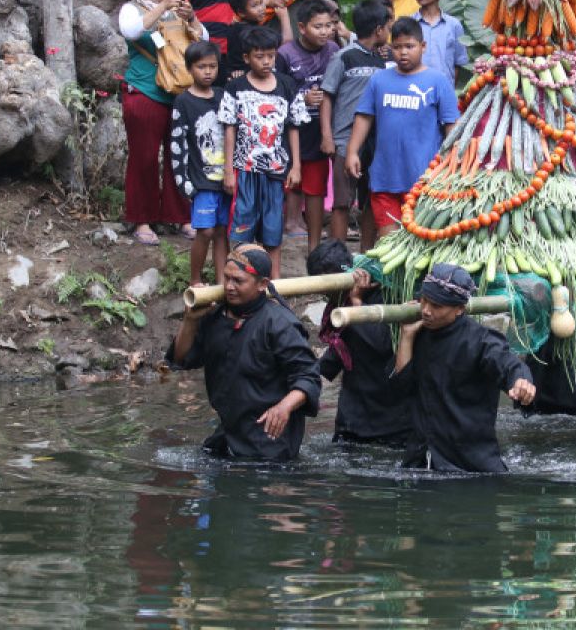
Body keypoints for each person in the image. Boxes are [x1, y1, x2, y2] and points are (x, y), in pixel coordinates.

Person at [167, 245, 321, 460]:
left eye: (238, 281)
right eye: (227, 278)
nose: (229, 287)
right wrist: (190, 320)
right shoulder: (215, 316)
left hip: (269, 441)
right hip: (228, 434)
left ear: (262, 284)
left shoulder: (279, 324)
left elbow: (309, 377)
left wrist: (283, 407)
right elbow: (180, 359)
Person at [391, 264, 537, 472]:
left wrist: (522, 381)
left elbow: (509, 363)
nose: (426, 311)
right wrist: (406, 336)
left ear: (460, 309)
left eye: (437, 306)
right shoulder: (417, 333)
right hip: (420, 462)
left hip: (470, 466)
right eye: (424, 300)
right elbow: (401, 388)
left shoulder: (481, 341)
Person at [118, 0, 205, 246]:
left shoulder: (177, 11)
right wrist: (162, 7)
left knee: (179, 156)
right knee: (144, 158)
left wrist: (190, 17)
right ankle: (142, 219)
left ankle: (179, 216)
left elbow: (203, 40)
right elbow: (131, 31)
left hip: (178, 93)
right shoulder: (133, 8)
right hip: (144, 92)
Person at [345, 17, 458, 236]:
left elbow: (452, 126)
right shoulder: (379, 80)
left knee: (420, 242)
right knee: (389, 243)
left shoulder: (438, 81)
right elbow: (364, 116)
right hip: (384, 177)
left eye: (410, 46)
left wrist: (452, 163)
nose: (403, 52)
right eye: (397, 47)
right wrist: (352, 152)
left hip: (425, 181)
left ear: (423, 47)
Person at [220, 24, 308, 277]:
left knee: (273, 227)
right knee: (241, 226)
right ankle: (238, 277)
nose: (267, 61)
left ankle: (273, 281)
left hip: (276, 169)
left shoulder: (287, 85)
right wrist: (228, 170)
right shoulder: (236, 88)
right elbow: (230, 129)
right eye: (260, 56)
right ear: (247, 58)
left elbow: (293, 127)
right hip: (244, 168)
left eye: (271, 55)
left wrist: (296, 166)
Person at [308, 239, 412, 445]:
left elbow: (382, 344)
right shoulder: (341, 301)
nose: (324, 294)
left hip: (389, 419)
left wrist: (357, 305)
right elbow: (340, 349)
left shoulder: (389, 296)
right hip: (353, 417)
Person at [322, 0, 392, 249]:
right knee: (342, 202)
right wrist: (327, 136)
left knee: (372, 199)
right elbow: (326, 97)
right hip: (343, 139)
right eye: (388, 26)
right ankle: (336, 257)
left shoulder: (383, 61)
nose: (389, 31)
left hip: (374, 142)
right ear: (378, 29)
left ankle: (366, 252)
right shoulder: (344, 57)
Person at [277, 0, 341, 249]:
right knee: (289, 181)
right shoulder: (285, 54)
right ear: (302, 27)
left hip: (320, 130)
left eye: (328, 26)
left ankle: (314, 246)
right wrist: (302, 98)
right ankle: (283, 231)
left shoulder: (335, 51)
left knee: (316, 189)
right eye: (318, 27)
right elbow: (276, 91)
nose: (325, 32)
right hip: (291, 130)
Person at [169, 40, 230, 285]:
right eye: (201, 67)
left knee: (222, 232)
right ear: (189, 68)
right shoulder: (183, 102)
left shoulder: (224, 96)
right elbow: (177, 143)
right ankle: (195, 280)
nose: (207, 72)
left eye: (212, 66)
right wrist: (183, 181)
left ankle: (223, 283)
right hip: (201, 179)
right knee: (205, 231)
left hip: (226, 178)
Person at [413, 0, 467, 84]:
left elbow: (458, 63)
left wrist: (448, 88)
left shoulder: (454, 25)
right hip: (414, 91)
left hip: (443, 90)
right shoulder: (410, 24)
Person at [223, 0, 266, 82]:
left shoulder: (238, 27)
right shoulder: (246, 31)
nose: (261, 8)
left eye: (261, 3)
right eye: (254, 6)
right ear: (241, 12)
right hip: (243, 73)